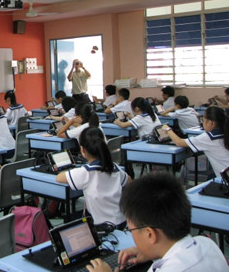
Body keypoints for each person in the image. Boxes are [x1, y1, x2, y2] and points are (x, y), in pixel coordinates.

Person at [84, 172, 228, 272]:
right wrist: (153, 253)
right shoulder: (207, 244)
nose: (131, 234)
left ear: (150, 234)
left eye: (130, 230)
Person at [56, 127, 131, 227]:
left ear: (82, 149)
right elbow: (130, 182)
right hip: (121, 220)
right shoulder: (114, 168)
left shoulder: (86, 172)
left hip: (102, 225)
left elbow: (58, 178)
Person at [162, 106, 229, 176]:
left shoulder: (208, 137)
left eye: (203, 120)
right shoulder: (225, 133)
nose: (202, 123)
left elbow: (179, 142)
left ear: (210, 123)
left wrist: (167, 129)